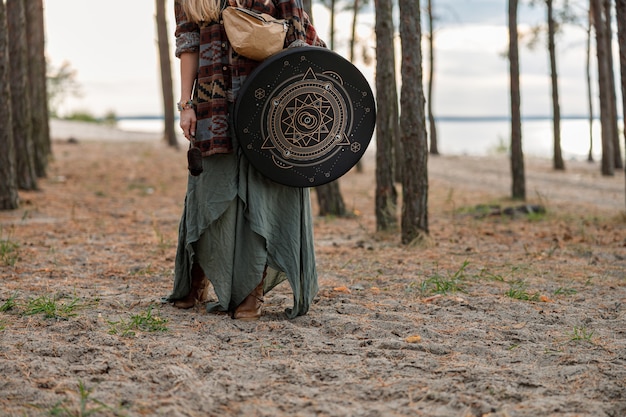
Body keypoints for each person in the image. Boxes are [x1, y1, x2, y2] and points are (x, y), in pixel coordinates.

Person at [165, 0, 325, 320]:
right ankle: (198, 280)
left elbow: (297, 40)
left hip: (271, 108)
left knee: (265, 196)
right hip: (214, 105)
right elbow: (188, 43)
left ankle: (252, 290)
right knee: (208, 193)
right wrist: (186, 105)